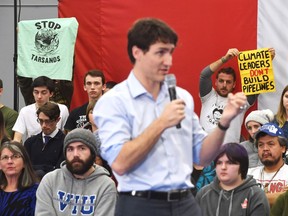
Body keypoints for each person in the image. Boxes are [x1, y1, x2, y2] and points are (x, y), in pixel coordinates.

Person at [94, 17, 247, 216]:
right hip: (140, 204)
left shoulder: (182, 97)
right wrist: (161, 123)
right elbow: (121, 163)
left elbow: (202, 156)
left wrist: (224, 122)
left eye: (170, 52)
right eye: (160, 52)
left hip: (185, 202)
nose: (168, 61)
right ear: (137, 53)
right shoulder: (114, 101)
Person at [199, 48, 275, 143]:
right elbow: (204, 75)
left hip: (230, 154)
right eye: (221, 81)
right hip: (204, 151)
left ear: (234, 84)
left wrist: (266, 60)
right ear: (216, 82)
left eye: (228, 82)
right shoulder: (208, 96)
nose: (224, 85)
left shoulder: (241, 102)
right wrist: (224, 59)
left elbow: (256, 83)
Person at [35, 128, 117, 215]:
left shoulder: (106, 186)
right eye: (70, 149)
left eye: (82, 148)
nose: (75, 154)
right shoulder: (50, 181)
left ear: (93, 153)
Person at [196, 143, 270, 216]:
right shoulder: (203, 194)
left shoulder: (255, 195)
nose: (223, 167)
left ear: (242, 166)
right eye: (219, 163)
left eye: (230, 163)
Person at [12, 76, 69, 143]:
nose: (39, 96)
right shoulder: (25, 111)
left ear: (51, 94)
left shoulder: (62, 109)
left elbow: (66, 135)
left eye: (43, 93)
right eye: (36, 92)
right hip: (32, 149)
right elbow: (17, 138)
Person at [248, 122, 288, 207]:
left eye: (271, 144)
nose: (265, 149)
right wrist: (281, 196)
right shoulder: (248, 174)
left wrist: (252, 198)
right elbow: (238, 200)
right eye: (261, 145)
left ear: (283, 148)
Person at [24, 102, 65, 179]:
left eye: (48, 121)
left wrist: (37, 168)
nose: (44, 125)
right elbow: (24, 168)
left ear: (58, 120)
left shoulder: (65, 143)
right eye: (41, 121)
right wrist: (47, 168)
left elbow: (59, 171)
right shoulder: (30, 142)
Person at [0, 141, 39, 215]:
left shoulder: (36, 191)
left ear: (24, 162)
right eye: (5, 157)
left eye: (15, 156)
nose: (10, 161)